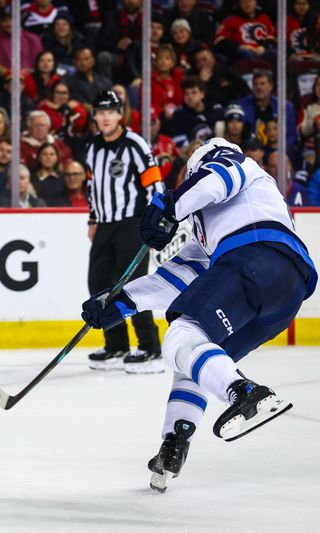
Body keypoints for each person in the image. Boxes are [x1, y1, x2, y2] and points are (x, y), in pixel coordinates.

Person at [81, 137, 316, 491]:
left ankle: (245, 391)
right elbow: (178, 275)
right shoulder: (213, 228)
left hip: (257, 257)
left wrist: (171, 206)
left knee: (181, 333)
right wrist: (120, 302)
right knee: (195, 357)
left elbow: (216, 180)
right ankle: (175, 440)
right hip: (285, 295)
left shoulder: (232, 164)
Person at [84, 90, 165, 373]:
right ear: (94, 116)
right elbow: (92, 186)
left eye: (110, 111)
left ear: (120, 114)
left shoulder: (134, 144)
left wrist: (155, 223)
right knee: (98, 285)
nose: (105, 117)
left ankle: (150, 348)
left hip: (132, 224)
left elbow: (155, 184)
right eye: (100, 111)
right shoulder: (93, 147)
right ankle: (116, 344)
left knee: (131, 287)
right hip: (105, 225)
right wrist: (93, 218)